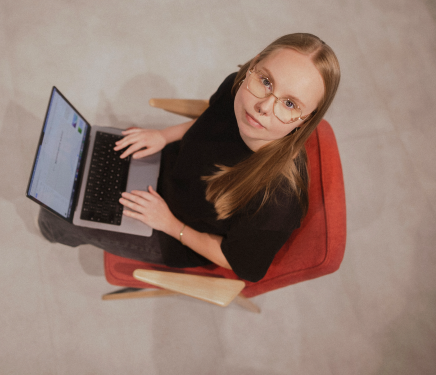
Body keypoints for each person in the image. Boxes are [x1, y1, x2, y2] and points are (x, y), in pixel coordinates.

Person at [38, 33, 340, 282]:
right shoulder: (238, 87)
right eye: (266, 81)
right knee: (85, 155)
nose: (263, 106)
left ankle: (53, 231)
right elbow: (209, 121)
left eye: (289, 103)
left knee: (58, 211)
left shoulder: (278, 201)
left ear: (306, 120)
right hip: (167, 169)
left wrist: (169, 224)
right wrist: (164, 135)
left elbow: (237, 262)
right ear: (255, 66)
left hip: (176, 232)